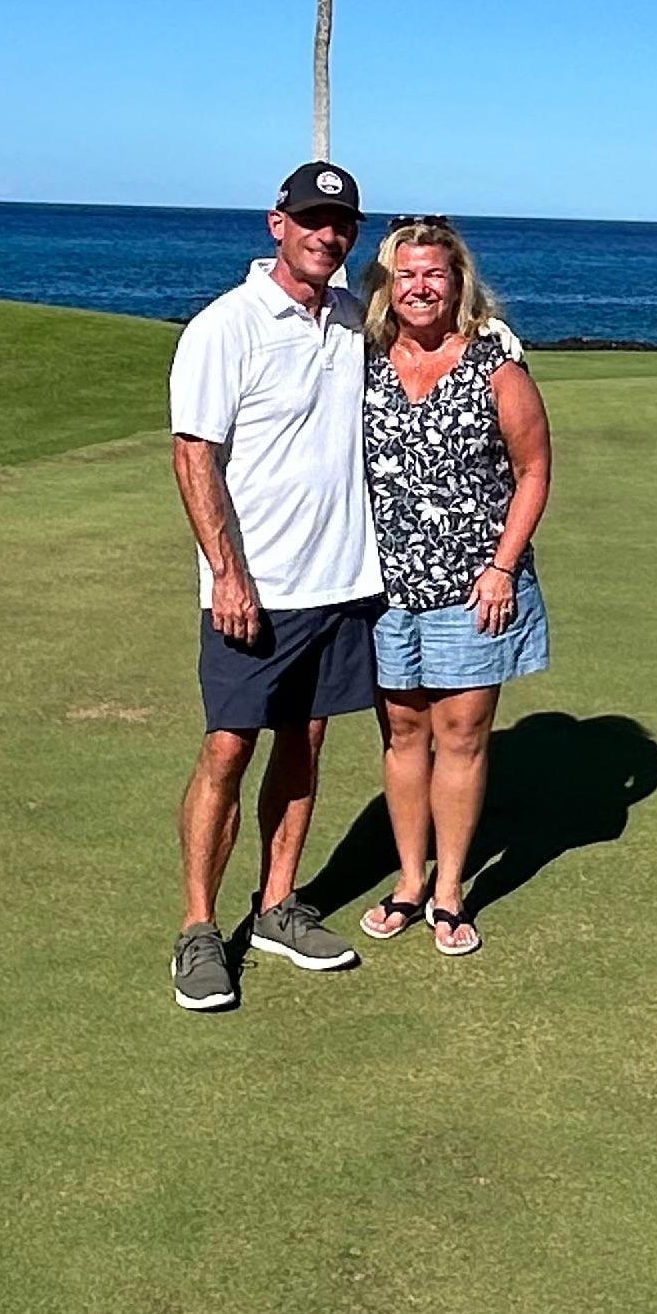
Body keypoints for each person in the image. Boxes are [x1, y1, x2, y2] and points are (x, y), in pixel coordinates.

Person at [162, 161, 383, 1013]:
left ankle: (277, 906)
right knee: (228, 747)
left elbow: (441, 335)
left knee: (308, 741)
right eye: (312, 221)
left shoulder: (355, 319)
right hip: (254, 587)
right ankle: (196, 928)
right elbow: (194, 456)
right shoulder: (226, 326)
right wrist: (228, 575)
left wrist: (500, 342)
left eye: (342, 225)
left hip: (340, 580)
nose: (327, 236)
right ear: (276, 224)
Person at [352, 217, 552, 959]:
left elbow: (533, 470)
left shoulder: (495, 367)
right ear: (387, 285)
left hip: (476, 589)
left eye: (434, 274)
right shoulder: (363, 362)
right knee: (404, 734)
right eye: (406, 275)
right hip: (382, 590)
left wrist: (502, 565)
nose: (420, 287)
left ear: (458, 282)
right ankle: (409, 881)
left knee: (461, 737)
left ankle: (449, 891)